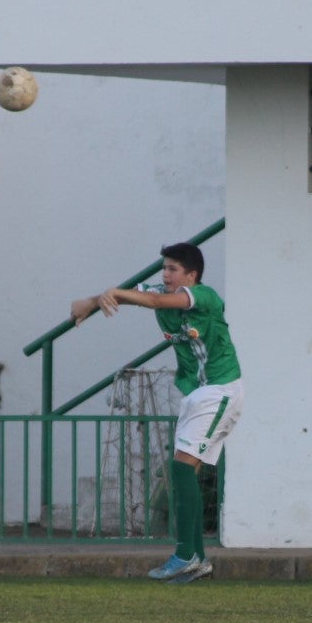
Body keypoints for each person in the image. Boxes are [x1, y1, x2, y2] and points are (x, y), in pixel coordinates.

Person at [70, 242, 243, 584]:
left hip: (221, 389)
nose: (165, 274)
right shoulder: (159, 291)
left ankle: (185, 555)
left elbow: (153, 301)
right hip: (198, 393)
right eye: (163, 268)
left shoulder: (202, 296)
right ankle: (197, 561)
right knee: (184, 471)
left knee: (180, 469)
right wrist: (92, 302)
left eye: (173, 269)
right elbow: (131, 297)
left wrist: (112, 293)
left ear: (191, 276)